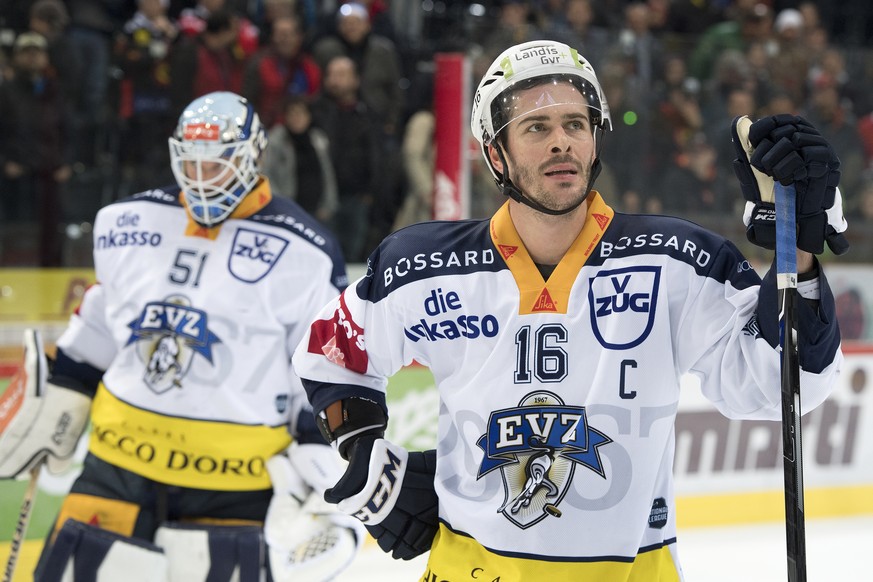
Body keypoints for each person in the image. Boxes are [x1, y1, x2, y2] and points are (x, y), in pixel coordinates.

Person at [290, 40, 848, 579]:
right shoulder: (422, 266)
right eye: (537, 128)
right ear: (495, 153)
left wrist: (794, 254)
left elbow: (780, 386)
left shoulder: (677, 261)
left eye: (575, 125)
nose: (562, 142)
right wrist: (370, 458)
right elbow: (327, 353)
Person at [0, 91, 362, 581]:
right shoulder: (125, 222)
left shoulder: (307, 251)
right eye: (190, 163)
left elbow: (325, 372)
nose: (200, 178)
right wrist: (60, 397)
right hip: (116, 468)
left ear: (252, 156)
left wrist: (325, 475)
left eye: (217, 164)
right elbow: (101, 327)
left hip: (235, 485)